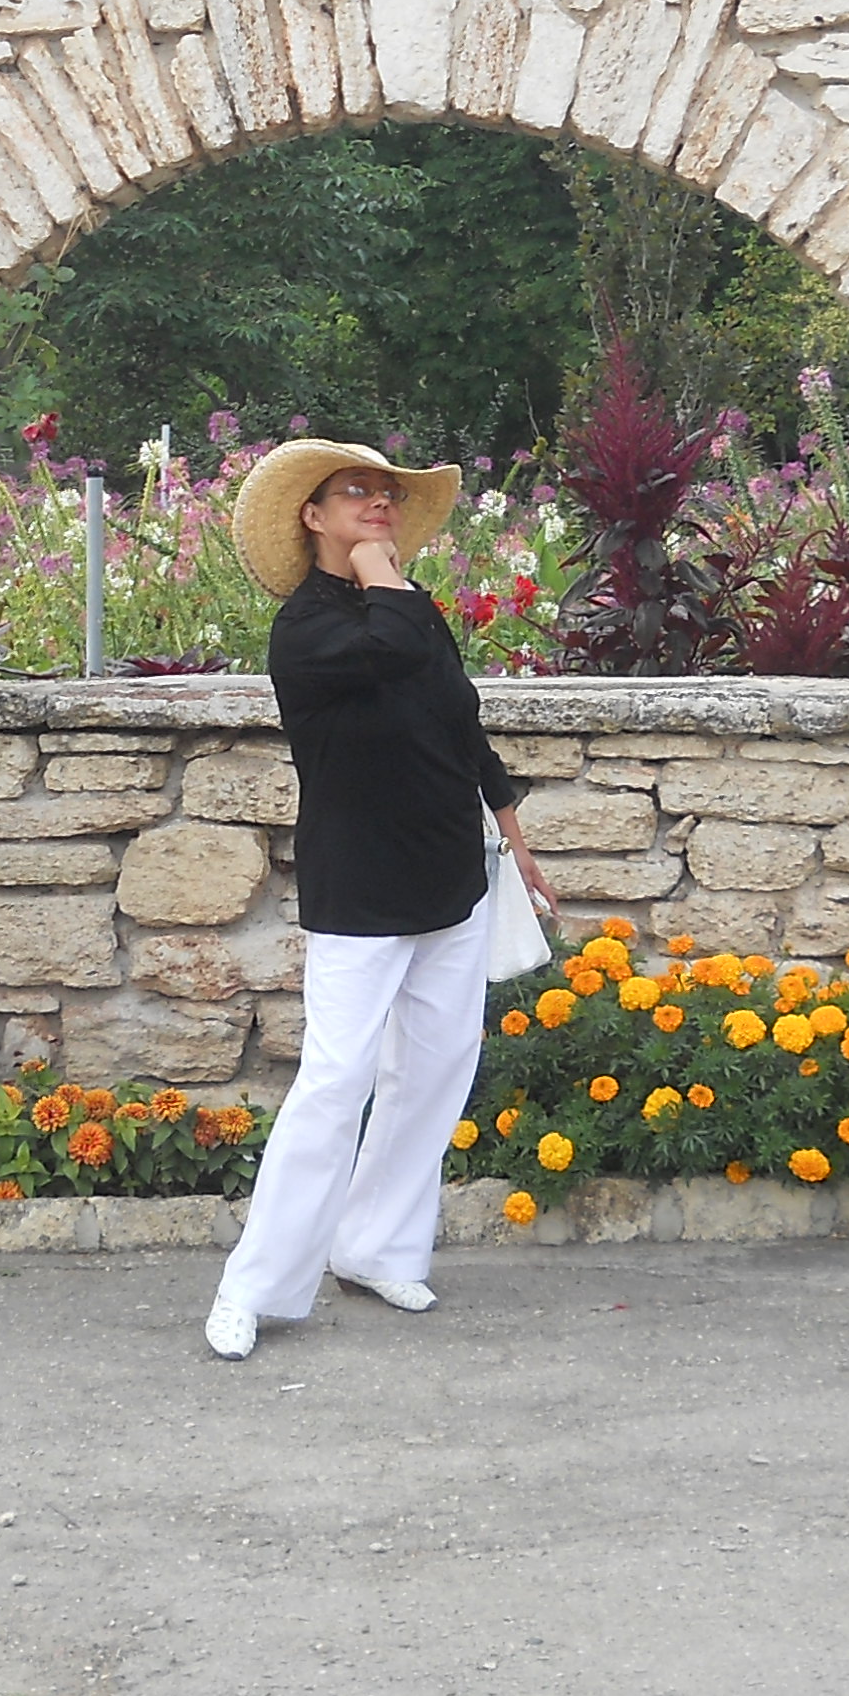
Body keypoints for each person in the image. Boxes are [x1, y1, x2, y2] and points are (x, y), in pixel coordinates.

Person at [201, 439, 554, 1362]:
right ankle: (255, 1287)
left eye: (388, 493)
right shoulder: (305, 628)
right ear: (311, 516)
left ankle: (376, 1249)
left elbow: (461, 719)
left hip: (450, 875)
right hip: (359, 883)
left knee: (434, 1073)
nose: (380, 503)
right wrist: (376, 568)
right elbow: (389, 649)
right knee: (335, 1083)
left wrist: (513, 837)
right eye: (356, 491)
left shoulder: (407, 604)